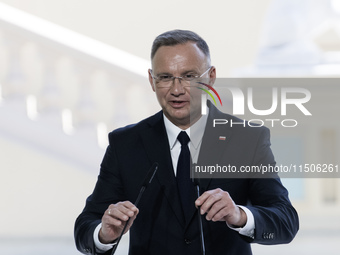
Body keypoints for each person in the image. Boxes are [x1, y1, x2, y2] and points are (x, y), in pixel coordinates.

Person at [74, 29, 299, 255]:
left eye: (189, 76)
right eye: (165, 77)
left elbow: (286, 223)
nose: (177, 89)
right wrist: (103, 235)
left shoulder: (247, 138)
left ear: (210, 77)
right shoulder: (125, 143)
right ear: (152, 81)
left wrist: (239, 215)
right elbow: (85, 228)